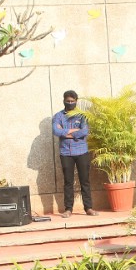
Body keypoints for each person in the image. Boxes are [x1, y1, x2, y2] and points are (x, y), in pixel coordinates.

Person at [53, 90, 95, 218]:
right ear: (64, 101)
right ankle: (68, 209)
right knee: (68, 182)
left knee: (85, 181)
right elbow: (56, 131)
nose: (70, 103)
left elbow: (85, 131)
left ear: (76, 101)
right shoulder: (58, 116)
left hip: (82, 151)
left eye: (72, 101)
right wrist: (75, 131)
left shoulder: (82, 116)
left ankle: (88, 208)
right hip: (66, 153)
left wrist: (67, 133)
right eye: (68, 101)